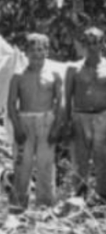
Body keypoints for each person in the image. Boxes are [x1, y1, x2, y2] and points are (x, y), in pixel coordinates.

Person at [64, 27, 106, 202]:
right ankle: (79, 197)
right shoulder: (73, 69)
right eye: (88, 42)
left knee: (102, 159)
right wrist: (66, 121)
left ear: (102, 43)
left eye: (96, 42)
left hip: (102, 117)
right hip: (79, 116)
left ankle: (103, 198)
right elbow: (67, 97)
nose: (92, 46)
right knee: (80, 160)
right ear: (84, 44)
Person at [6, 33, 63, 208]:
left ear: (47, 51)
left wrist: (56, 128)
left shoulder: (54, 74)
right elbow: (10, 104)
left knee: (46, 165)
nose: (37, 55)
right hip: (25, 122)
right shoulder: (18, 76)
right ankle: (18, 205)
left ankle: (45, 205)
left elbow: (61, 103)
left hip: (47, 122)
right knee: (22, 165)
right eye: (33, 50)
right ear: (26, 52)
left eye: (41, 50)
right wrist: (17, 127)